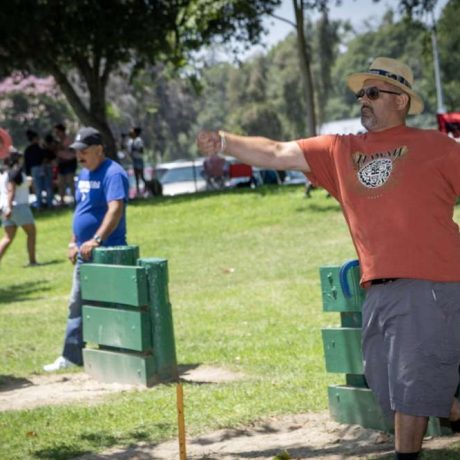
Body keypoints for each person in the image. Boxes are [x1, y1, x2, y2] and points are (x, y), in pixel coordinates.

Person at [197, 57, 460, 459]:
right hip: (377, 291)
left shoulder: (437, 147)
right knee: (393, 390)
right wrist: (226, 142)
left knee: (411, 394)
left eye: (373, 93)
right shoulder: (341, 150)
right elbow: (278, 151)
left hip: (431, 285)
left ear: (402, 100)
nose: (363, 101)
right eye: (361, 94)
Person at [44, 127, 129, 372]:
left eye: (84, 151)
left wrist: (96, 240)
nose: (79, 156)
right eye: (77, 151)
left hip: (107, 251)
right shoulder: (83, 173)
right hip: (84, 253)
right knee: (77, 304)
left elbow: (115, 210)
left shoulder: (113, 173)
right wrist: (73, 242)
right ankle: (72, 356)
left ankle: (116, 352)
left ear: (99, 150)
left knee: (109, 304)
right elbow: (80, 210)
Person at [0, 149, 38, 266]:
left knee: (7, 237)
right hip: (17, 207)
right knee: (31, 233)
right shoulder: (15, 172)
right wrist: (10, 207)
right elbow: (12, 190)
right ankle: (32, 261)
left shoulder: (3, 173)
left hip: (3, 208)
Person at [24, 130, 54, 209]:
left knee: (38, 188)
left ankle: (39, 206)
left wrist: (28, 173)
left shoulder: (28, 149)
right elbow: (49, 155)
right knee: (48, 187)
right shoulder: (41, 147)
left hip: (35, 169)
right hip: (45, 167)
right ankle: (50, 204)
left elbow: (27, 163)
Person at [54, 123, 77, 206]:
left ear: (62, 131)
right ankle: (62, 201)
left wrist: (63, 148)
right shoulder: (57, 141)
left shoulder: (69, 140)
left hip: (70, 162)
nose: (56, 134)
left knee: (70, 182)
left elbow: (73, 150)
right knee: (61, 183)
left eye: (57, 132)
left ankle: (76, 200)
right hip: (61, 163)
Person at [127, 127, 146, 197]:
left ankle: (149, 189)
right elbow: (129, 151)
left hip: (139, 159)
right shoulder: (130, 141)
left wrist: (135, 149)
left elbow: (141, 150)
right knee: (136, 178)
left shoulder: (138, 140)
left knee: (141, 176)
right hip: (134, 160)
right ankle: (138, 193)